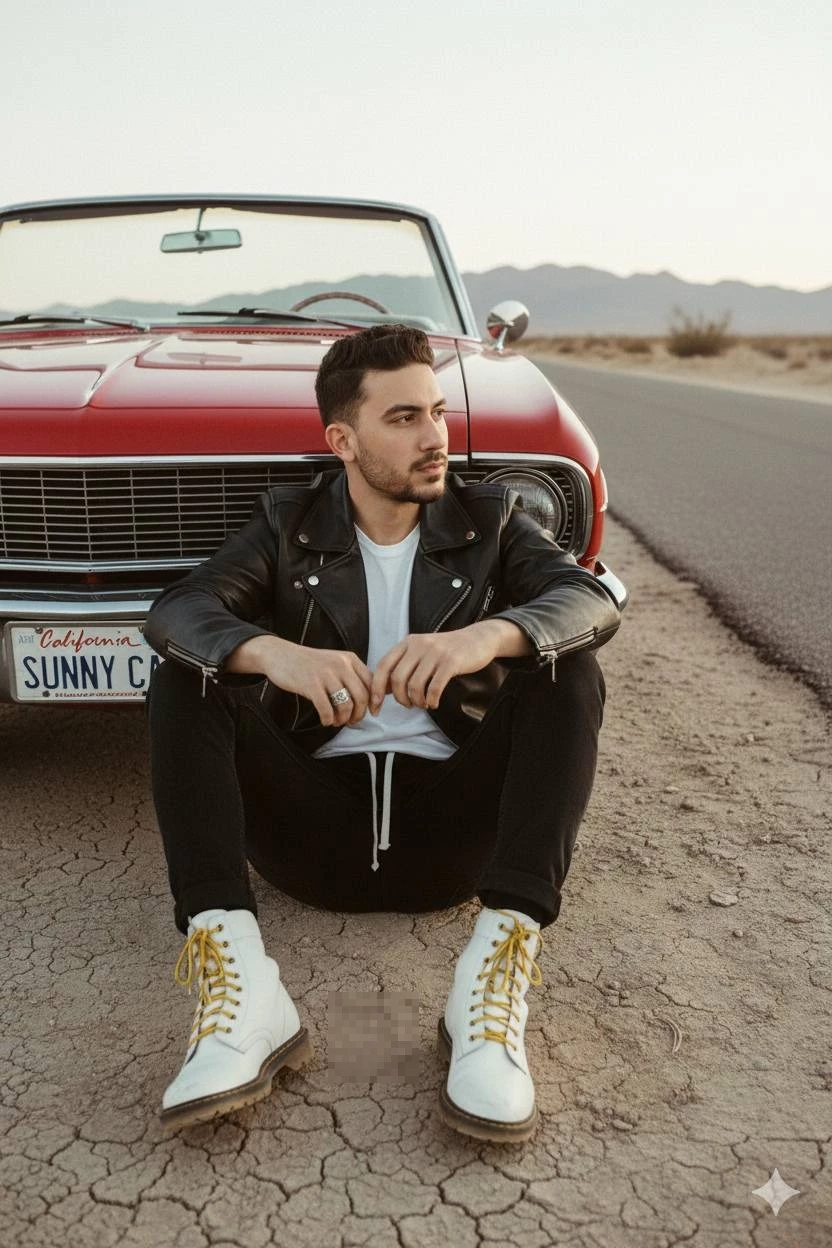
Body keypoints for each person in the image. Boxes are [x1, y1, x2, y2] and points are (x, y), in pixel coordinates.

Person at [144, 324, 620, 1143]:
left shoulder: (493, 521)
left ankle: (492, 984)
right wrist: (274, 653)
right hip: (311, 837)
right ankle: (243, 992)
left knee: (565, 667)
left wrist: (486, 636)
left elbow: (588, 599)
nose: (435, 437)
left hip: (455, 840)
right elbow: (178, 611)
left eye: (436, 412)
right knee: (187, 675)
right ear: (343, 438)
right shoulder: (289, 528)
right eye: (403, 419)